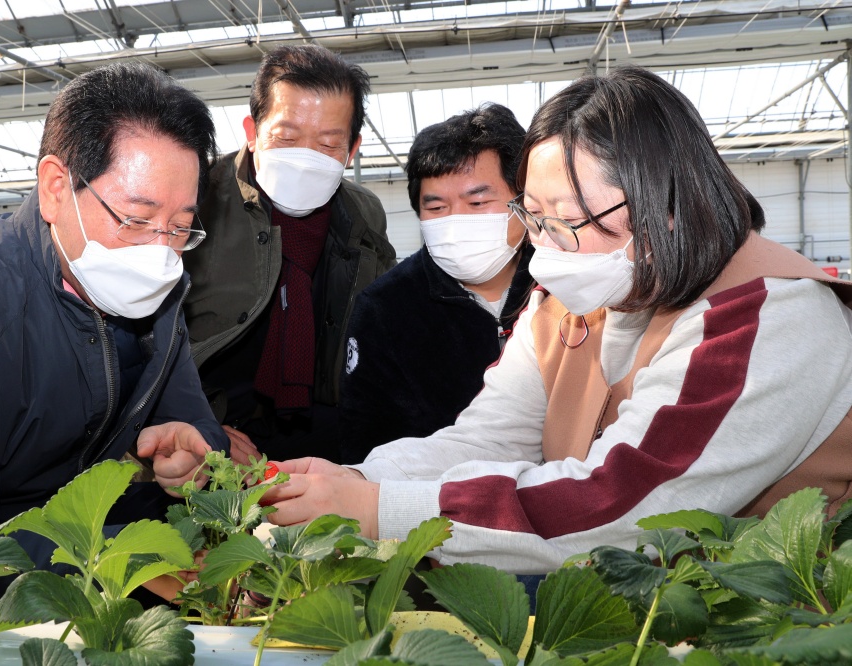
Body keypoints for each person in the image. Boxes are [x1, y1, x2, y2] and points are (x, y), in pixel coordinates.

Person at [262, 66, 852, 576]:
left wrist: (378, 510)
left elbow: (623, 506)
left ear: (668, 208)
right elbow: (487, 436)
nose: (546, 248)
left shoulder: (764, 319)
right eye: (534, 216)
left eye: (570, 218)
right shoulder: (568, 303)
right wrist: (354, 479)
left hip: (769, 622)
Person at [0, 62, 228, 570]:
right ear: (56, 187)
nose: (160, 252)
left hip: (80, 541)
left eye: (180, 227)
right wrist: (129, 563)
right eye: (136, 220)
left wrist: (193, 454)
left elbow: (192, 418)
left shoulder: (156, 291)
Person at [183, 45, 397, 464]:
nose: (305, 159)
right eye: (286, 138)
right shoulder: (197, 200)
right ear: (252, 130)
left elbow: (379, 321)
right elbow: (143, 340)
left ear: (352, 149)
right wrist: (193, 421)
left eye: (329, 144)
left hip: (321, 424)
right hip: (213, 427)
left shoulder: (362, 212)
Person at [339, 103, 535, 464]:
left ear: (524, 201)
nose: (457, 221)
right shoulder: (386, 310)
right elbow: (365, 443)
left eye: (477, 201)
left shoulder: (560, 287)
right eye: (437, 208)